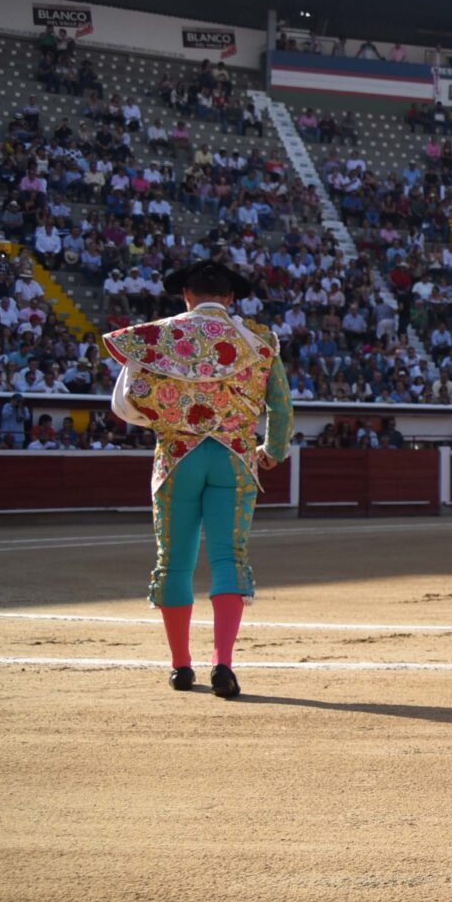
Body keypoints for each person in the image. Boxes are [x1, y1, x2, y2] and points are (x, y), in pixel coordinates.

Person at [100, 259, 292, 698]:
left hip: (177, 459)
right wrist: (273, 451)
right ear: (229, 299)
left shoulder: (156, 336)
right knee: (228, 558)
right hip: (234, 459)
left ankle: (180, 667)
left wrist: (170, 420)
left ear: (186, 295)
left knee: (175, 561)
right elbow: (281, 408)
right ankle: (222, 663)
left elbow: (128, 402)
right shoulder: (259, 340)